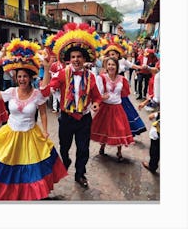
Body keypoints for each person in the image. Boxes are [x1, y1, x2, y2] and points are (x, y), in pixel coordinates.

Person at [0, 38, 67, 200]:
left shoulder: (37, 94)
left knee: (31, 164)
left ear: (30, 78)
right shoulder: (11, 91)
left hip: (30, 134)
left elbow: (43, 113)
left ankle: (30, 191)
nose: (22, 79)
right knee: (7, 162)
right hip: (10, 133)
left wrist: (46, 131)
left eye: (25, 76)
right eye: (19, 76)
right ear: (16, 77)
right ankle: (8, 190)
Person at [41, 22, 102, 188]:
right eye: (73, 57)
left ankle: (80, 174)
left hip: (84, 119)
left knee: (83, 149)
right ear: (69, 59)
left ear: (84, 59)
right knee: (64, 147)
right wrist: (46, 72)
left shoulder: (91, 77)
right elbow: (47, 90)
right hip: (66, 118)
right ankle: (66, 160)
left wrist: (95, 104)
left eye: (79, 57)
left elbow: (97, 97)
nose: (76, 59)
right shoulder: (62, 74)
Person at [90, 57, 134, 161]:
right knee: (104, 129)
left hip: (117, 108)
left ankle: (119, 152)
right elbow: (97, 93)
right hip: (105, 108)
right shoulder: (101, 78)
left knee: (120, 130)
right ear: (106, 66)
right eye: (109, 64)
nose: (111, 66)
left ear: (117, 66)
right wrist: (101, 98)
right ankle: (102, 147)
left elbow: (125, 93)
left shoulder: (122, 79)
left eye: (113, 64)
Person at [103, 41, 147, 136]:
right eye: (110, 54)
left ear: (118, 54)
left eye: (114, 54)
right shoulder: (107, 62)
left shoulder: (122, 61)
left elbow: (131, 66)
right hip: (110, 87)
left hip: (120, 87)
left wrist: (141, 67)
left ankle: (129, 129)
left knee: (125, 108)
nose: (112, 56)